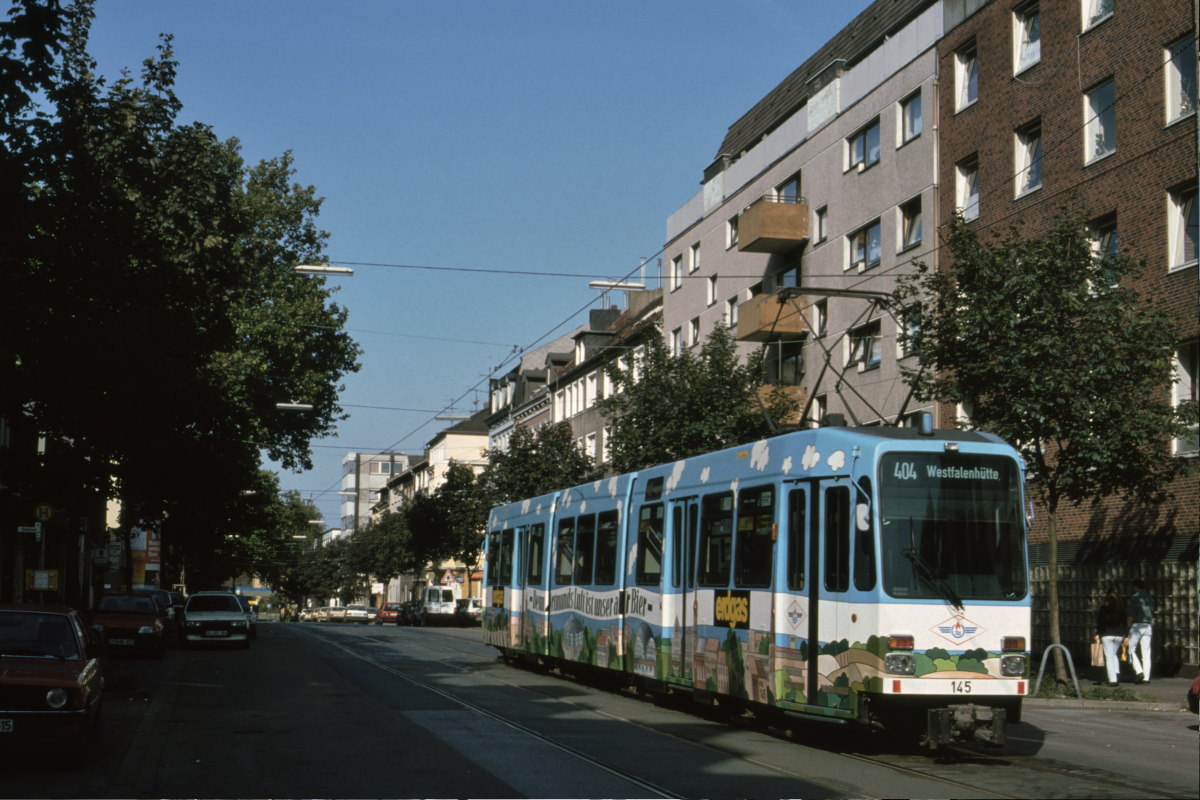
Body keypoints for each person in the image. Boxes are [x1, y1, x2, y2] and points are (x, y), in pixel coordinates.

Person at [1094, 587, 1126, 687]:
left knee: (1109, 657)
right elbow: (1124, 622)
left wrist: (1098, 634)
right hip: (1119, 634)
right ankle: (1116, 673)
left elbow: (1100, 622)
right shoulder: (1121, 608)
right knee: (1114, 654)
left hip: (1107, 634)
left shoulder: (1104, 608)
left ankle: (1113, 680)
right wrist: (1126, 635)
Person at [1126, 578, 1155, 684]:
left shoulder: (1134, 598)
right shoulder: (1150, 598)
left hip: (1136, 625)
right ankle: (1146, 678)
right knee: (1146, 653)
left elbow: (1131, 614)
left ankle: (1139, 671)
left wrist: (1127, 627)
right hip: (1148, 625)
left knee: (1130, 649)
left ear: (1135, 587)